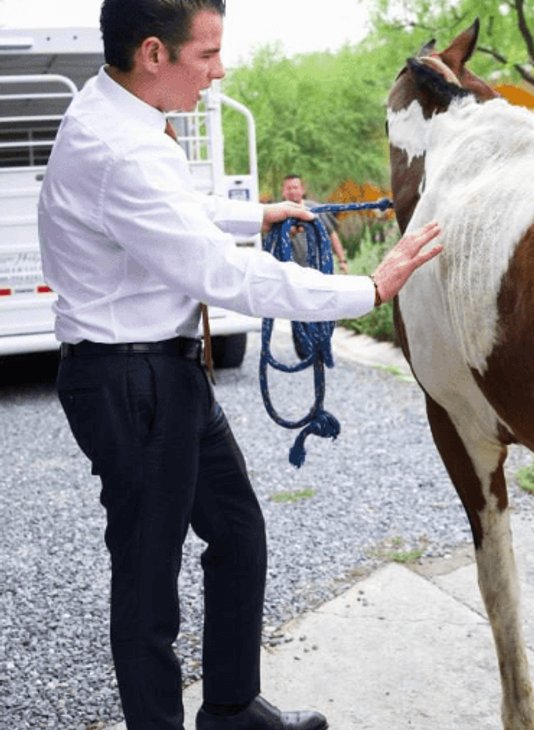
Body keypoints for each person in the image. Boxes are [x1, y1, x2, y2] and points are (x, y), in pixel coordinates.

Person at [36, 2, 443, 729]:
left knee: (236, 529)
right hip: (131, 383)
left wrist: (260, 215)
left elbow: (174, 211)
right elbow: (222, 277)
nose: (220, 73)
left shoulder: (120, 114)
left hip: (165, 371)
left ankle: (228, 707)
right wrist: (368, 288)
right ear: (155, 53)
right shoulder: (117, 147)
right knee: (147, 579)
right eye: (209, 54)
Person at [277, 174, 349, 273]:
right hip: (290, 271)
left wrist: (342, 260)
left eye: (295, 187)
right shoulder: (276, 212)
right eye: (288, 188)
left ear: (302, 189)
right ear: (283, 191)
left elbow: (331, 234)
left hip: (317, 268)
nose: (292, 191)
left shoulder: (315, 209)